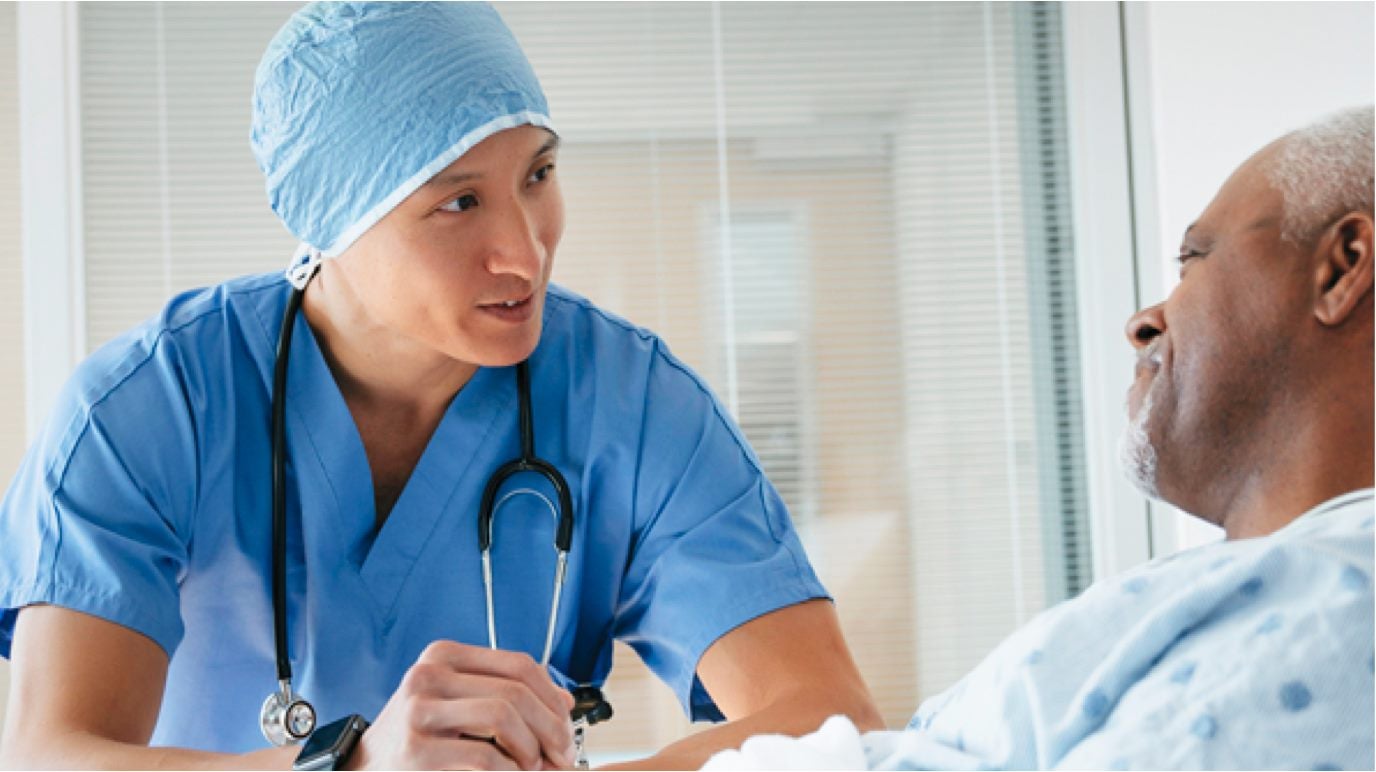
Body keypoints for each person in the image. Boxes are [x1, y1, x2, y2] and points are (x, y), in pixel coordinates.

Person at [0, 3, 881, 769]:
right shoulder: (149, 411)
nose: (526, 251)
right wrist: (347, 769)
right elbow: (49, 755)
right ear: (333, 222)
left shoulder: (632, 406)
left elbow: (827, 718)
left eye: (537, 174)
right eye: (459, 203)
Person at [704, 106, 1376, 771]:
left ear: (1344, 267)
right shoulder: (1255, 591)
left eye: (1194, 261)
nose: (1143, 322)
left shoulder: (1341, 610)